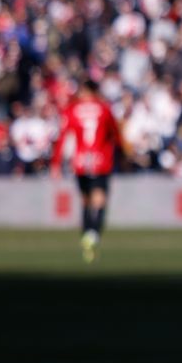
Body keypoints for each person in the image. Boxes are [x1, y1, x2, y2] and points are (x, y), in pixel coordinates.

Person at [55, 80, 120, 264]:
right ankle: (92, 233)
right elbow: (115, 133)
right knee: (98, 199)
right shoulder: (104, 108)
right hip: (100, 160)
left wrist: (56, 163)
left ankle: (85, 234)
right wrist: (121, 153)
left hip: (80, 161)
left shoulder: (72, 109)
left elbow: (63, 136)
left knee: (85, 199)